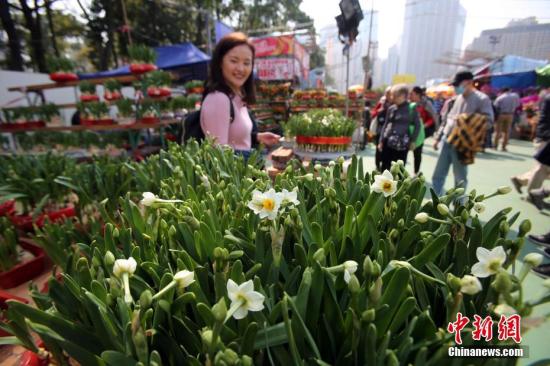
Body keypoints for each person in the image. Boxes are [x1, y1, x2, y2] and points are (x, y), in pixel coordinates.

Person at [200, 32, 280, 158]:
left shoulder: (236, 97)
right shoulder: (218, 99)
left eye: (246, 63)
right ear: (220, 62)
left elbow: (233, 139)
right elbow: (218, 157)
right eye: (234, 61)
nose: (241, 69)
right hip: (234, 176)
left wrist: (257, 137)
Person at [431, 71, 494, 196]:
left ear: (469, 82)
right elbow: (447, 118)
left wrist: (466, 120)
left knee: (460, 179)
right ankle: (436, 202)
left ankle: (458, 209)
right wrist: (438, 137)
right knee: (438, 175)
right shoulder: (457, 98)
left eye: (457, 84)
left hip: (463, 144)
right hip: (447, 139)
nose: (455, 87)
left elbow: (489, 121)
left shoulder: (482, 99)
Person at [510, 86, 550, 197]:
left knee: (544, 169)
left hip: (544, 136)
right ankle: (532, 194)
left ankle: (521, 181)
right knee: (542, 168)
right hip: (546, 138)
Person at [378, 84, 421, 172]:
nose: (392, 97)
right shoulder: (391, 108)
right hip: (388, 142)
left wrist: (413, 141)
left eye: (394, 95)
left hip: (402, 145)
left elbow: (417, 126)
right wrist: (381, 140)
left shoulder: (411, 109)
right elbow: (385, 125)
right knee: (385, 168)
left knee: (398, 171)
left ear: (403, 96)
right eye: (392, 95)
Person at [409, 86, 438, 175]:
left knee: (417, 152)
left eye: (412, 94)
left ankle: (416, 172)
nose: (410, 96)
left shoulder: (426, 103)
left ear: (418, 94)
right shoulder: (409, 103)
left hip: (420, 132)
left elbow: (433, 117)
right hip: (409, 130)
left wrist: (424, 126)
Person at [370, 87, 393, 171]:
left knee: (386, 151)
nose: (388, 95)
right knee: (378, 148)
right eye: (387, 93)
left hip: (389, 131)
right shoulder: (381, 103)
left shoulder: (395, 104)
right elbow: (373, 114)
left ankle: (385, 166)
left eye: (390, 93)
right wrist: (379, 111)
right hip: (380, 129)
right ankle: (377, 164)